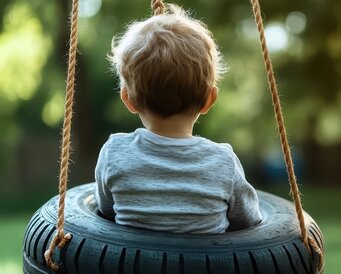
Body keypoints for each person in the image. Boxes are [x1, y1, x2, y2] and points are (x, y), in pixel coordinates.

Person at [94, 4, 262, 234]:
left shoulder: (114, 152)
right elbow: (248, 222)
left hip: (133, 269)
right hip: (209, 270)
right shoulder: (224, 162)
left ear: (127, 100)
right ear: (209, 100)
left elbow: (105, 212)